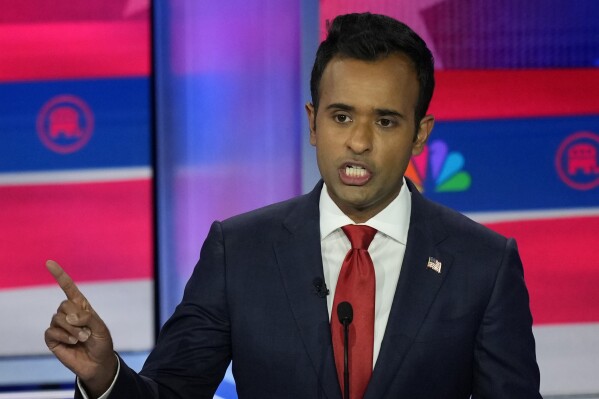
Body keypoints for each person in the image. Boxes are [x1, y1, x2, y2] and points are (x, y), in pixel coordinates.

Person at [45, 12, 542, 399]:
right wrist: (104, 375)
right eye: (341, 116)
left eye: (386, 121)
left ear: (420, 135)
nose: (360, 142)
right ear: (313, 123)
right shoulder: (237, 251)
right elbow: (171, 393)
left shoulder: (483, 264)